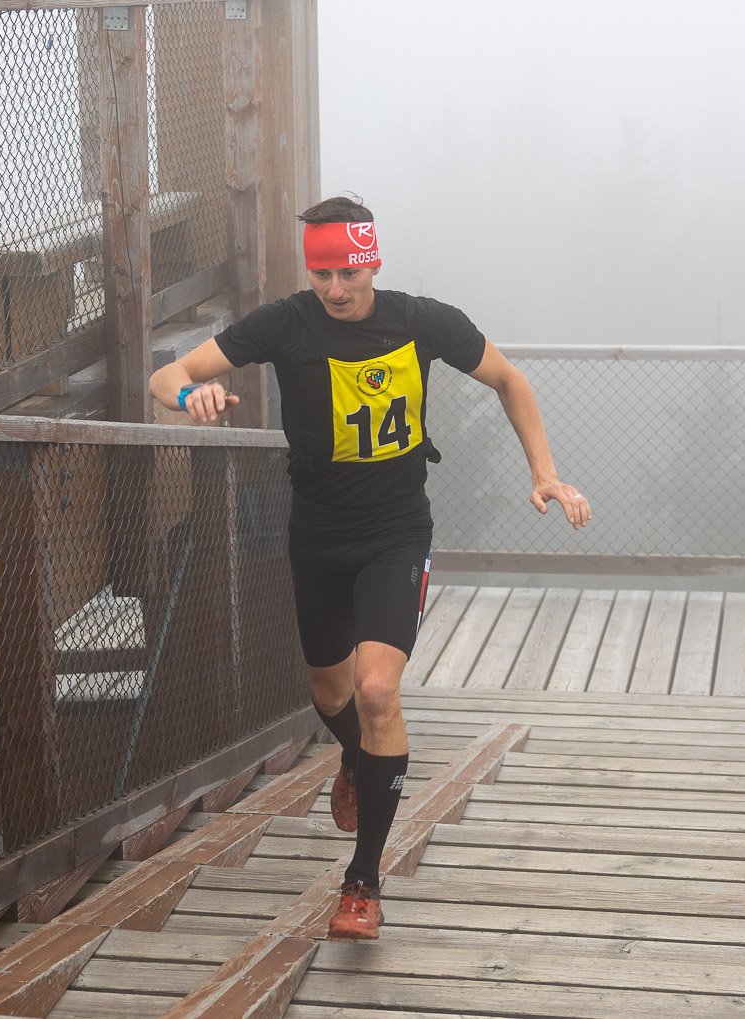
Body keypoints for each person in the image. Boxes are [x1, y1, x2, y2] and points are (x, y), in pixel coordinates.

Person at [147, 195, 590, 939]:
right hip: (317, 535)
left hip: (395, 532)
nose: (334, 288)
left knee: (377, 691)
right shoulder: (285, 322)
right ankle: (355, 758)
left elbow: (510, 379)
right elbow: (167, 377)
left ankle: (363, 882)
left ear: (372, 263)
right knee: (330, 691)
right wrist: (195, 391)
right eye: (321, 273)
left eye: (348, 272)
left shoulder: (421, 321)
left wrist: (544, 472)